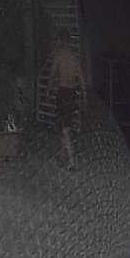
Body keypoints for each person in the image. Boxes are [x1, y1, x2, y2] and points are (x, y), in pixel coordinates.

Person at [49, 28, 85, 170]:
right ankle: (64, 157)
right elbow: (81, 78)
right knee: (64, 125)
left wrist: (48, 90)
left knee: (64, 128)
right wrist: (84, 95)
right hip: (72, 93)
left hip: (63, 92)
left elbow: (52, 75)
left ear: (61, 41)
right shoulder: (74, 58)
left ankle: (71, 161)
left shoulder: (59, 56)